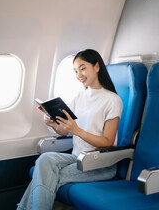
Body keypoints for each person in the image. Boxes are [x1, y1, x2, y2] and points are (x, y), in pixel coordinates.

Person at [17, 49, 123, 210]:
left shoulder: (113, 100)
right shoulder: (79, 96)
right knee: (45, 159)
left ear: (96, 67)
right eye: (75, 71)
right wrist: (54, 125)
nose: (78, 74)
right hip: (77, 158)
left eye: (82, 68)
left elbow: (107, 142)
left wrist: (78, 130)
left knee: (45, 176)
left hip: (99, 164)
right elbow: (66, 131)